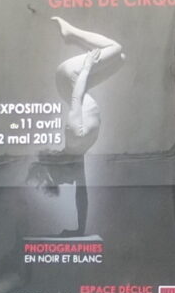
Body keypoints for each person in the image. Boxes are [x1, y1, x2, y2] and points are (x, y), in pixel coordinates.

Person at [31, 15, 125, 234]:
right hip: (77, 83)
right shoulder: (77, 155)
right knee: (120, 58)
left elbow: (76, 96)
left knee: (115, 48)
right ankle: (77, 41)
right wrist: (80, 230)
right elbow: (82, 195)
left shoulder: (75, 137)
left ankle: (71, 33)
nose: (68, 183)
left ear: (62, 166)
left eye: (61, 180)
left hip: (69, 78)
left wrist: (87, 67)